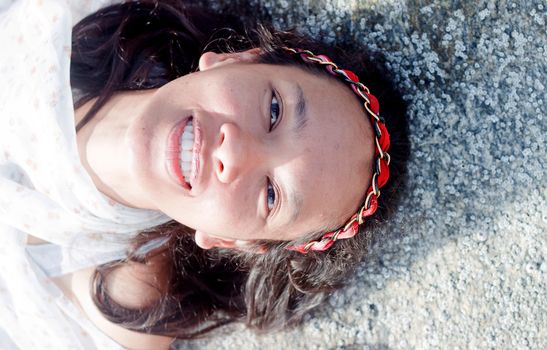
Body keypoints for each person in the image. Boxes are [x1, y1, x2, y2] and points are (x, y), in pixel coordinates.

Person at [0, 0, 408, 349]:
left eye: (271, 195)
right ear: (237, 58)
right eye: (273, 111)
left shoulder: (117, 312)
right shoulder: (67, 13)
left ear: (233, 241)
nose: (235, 150)